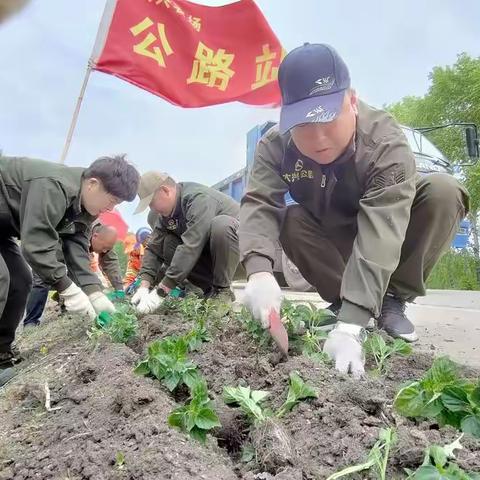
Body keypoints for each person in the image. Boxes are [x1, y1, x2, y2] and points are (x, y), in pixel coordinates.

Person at [239, 43, 469, 378]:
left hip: (387, 231)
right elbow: (259, 201)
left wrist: (350, 329)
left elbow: (382, 230)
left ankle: (390, 300)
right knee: (290, 219)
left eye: (328, 119)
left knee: (444, 191)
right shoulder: (276, 146)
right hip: (333, 233)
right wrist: (259, 272)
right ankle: (341, 302)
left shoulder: (385, 142)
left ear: (352, 101)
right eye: (303, 124)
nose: (318, 138)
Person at [0, 154, 139, 368]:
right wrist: (68, 289)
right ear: (93, 184)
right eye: (111, 200)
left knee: (20, 280)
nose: (111, 208)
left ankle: (2, 351)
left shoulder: (85, 207)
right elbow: (36, 243)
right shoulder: (54, 186)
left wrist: (94, 292)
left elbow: (76, 248)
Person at [131, 172, 240, 314]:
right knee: (170, 242)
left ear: (165, 190)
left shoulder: (198, 199)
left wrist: (161, 292)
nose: (152, 208)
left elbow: (191, 246)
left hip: (240, 258)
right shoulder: (168, 214)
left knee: (222, 225)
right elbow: (154, 248)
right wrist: (144, 286)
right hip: (211, 258)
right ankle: (209, 293)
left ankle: (222, 292)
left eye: (151, 202)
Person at [23, 223, 124, 328]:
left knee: (80, 278)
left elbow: (110, 262)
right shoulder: (79, 230)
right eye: (104, 248)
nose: (104, 251)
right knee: (41, 279)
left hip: (73, 260)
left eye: (108, 249)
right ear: (95, 236)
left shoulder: (105, 239)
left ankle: (66, 308)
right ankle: (31, 321)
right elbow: (53, 264)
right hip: (50, 250)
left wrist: (119, 289)